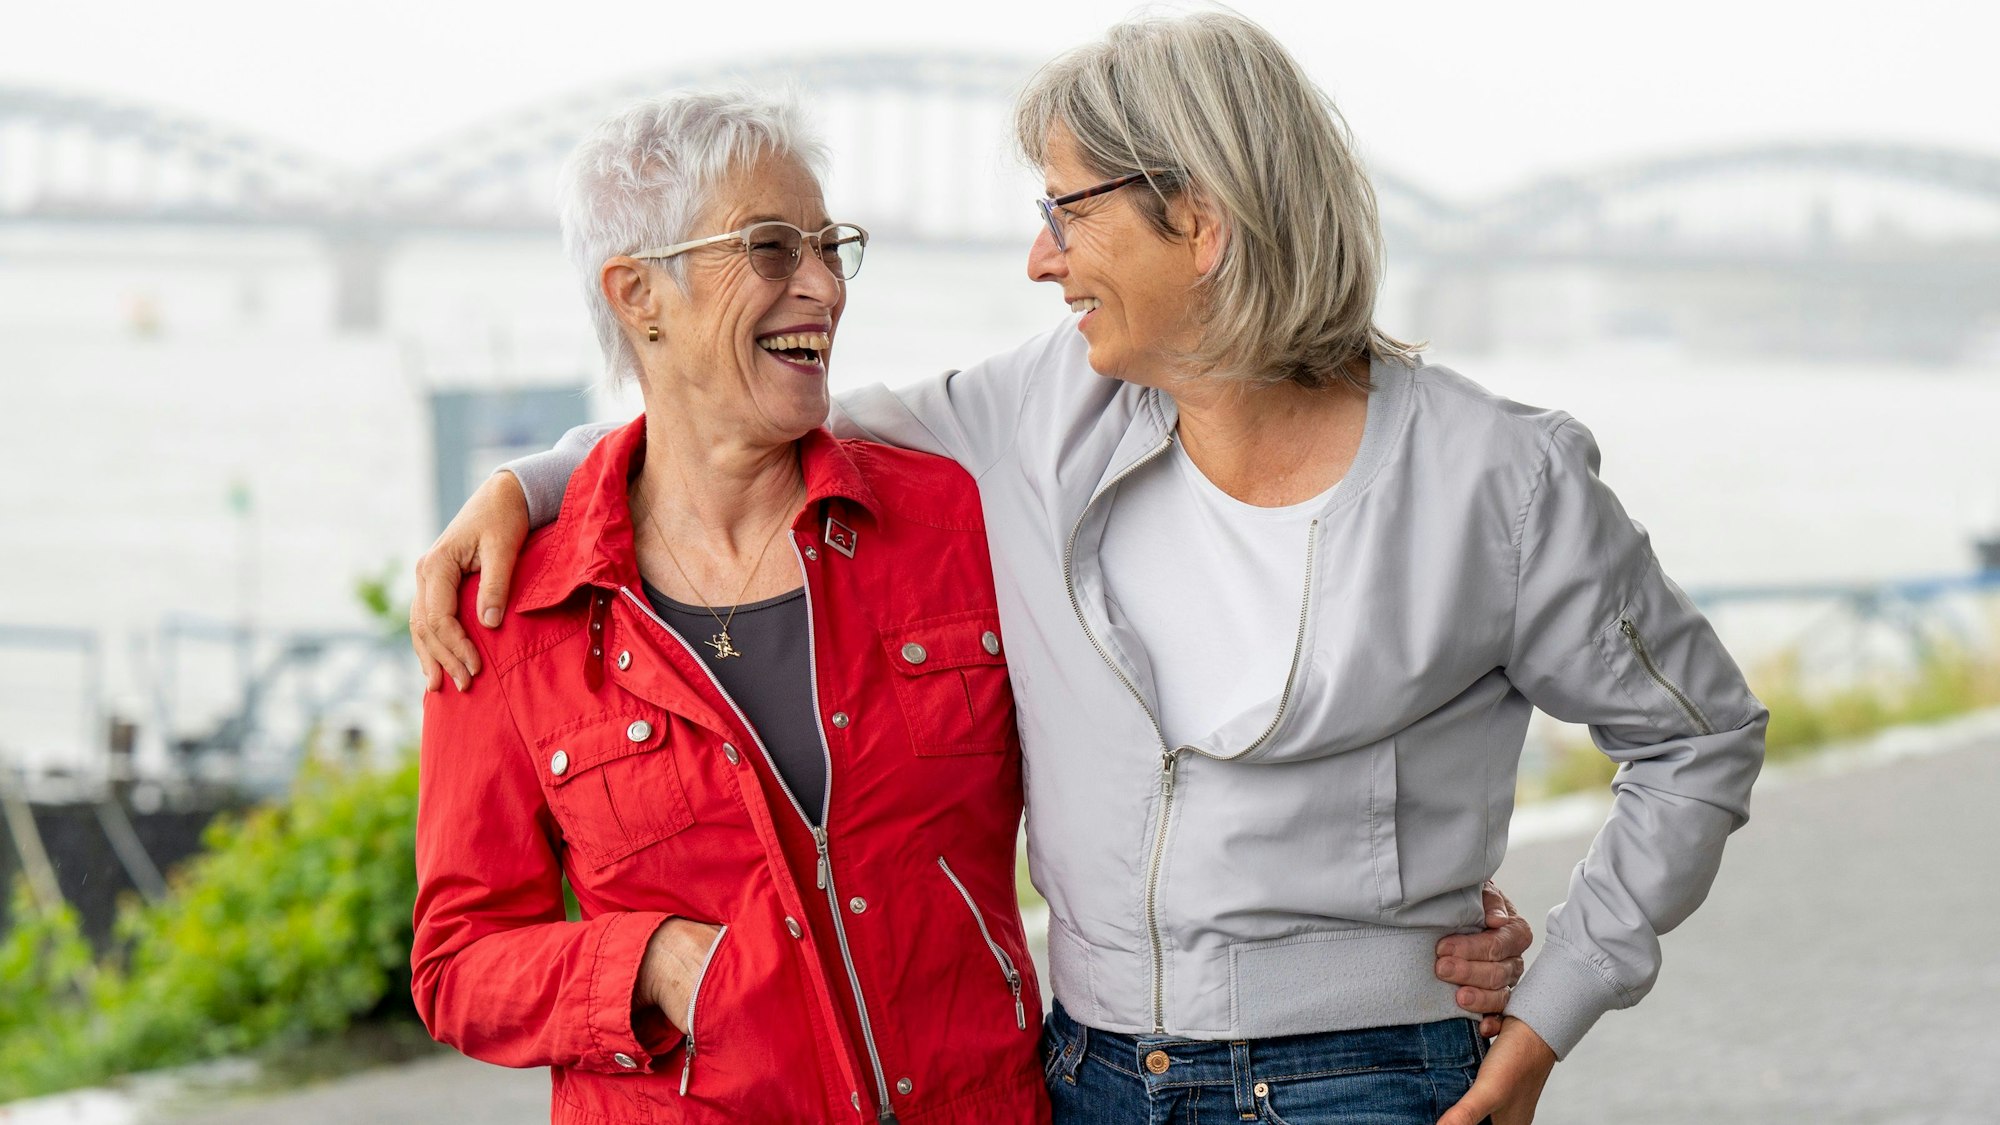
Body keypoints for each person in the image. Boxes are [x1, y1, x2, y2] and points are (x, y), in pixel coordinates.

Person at [413, 14, 1747, 1125]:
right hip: (1097, 1078)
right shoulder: (1039, 417)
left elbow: (1698, 740)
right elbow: (738, 420)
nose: (1039, 256)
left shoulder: (1495, 479)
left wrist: (1557, 997)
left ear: (1201, 224)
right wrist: (528, 485)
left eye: (1067, 210)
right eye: (776, 249)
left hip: (1372, 1077)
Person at [411, 90, 1056, 1124]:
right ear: (636, 295)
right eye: (767, 248)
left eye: (828, 246)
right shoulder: (509, 610)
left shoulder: (948, 522)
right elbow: (456, 963)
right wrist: (645, 965)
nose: (822, 288)